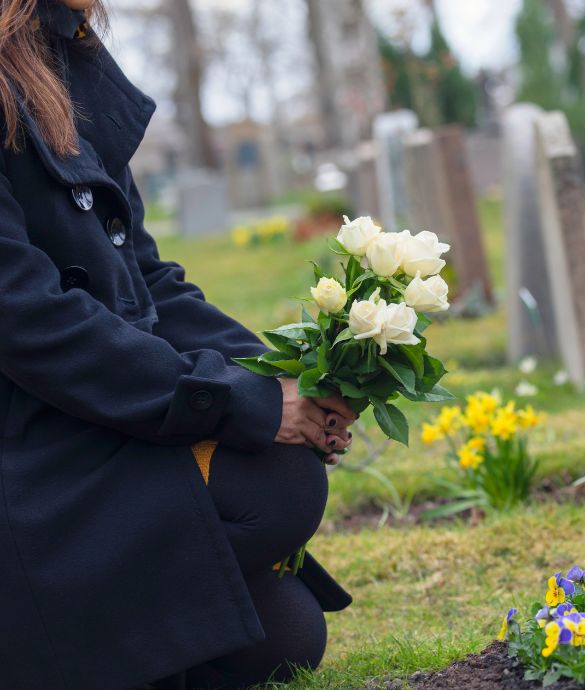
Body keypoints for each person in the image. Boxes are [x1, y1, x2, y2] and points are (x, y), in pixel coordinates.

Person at [0, 1, 358, 688]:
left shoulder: (60, 58)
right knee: (279, 487)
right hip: (28, 449)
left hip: (78, 422)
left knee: (285, 634)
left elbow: (149, 280)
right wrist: (238, 403)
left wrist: (289, 381)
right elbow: (29, 321)